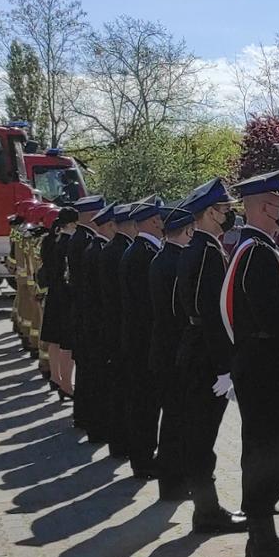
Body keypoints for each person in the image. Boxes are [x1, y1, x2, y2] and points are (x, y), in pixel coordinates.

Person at [224, 171, 279, 557]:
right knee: (267, 454)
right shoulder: (257, 253)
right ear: (261, 206)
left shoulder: (255, 247)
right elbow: (271, 318)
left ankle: (261, 536)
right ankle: (262, 542)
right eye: (278, 204)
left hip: (261, 366)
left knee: (262, 451)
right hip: (267, 368)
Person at [172, 179, 250, 536]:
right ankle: (206, 511)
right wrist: (223, 366)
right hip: (205, 355)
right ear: (209, 213)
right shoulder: (206, 252)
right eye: (223, 209)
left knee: (199, 435)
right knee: (202, 436)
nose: (228, 213)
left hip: (194, 348)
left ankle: (206, 507)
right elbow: (212, 312)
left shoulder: (196, 248)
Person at [148, 206, 194, 503]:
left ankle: (171, 480)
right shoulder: (179, 262)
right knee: (179, 421)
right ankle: (175, 483)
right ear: (188, 231)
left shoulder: (159, 258)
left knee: (171, 419)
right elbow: (182, 311)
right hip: (176, 350)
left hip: (161, 347)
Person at [119, 197, 165, 481]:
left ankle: (143, 456)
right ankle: (144, 460)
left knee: (143, 403)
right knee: (145, 404)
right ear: (153, 221)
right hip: (144, 340)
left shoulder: (139, 250)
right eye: (159, 219)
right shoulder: (145, 253)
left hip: (137, 338)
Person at [66, 196, 110, 442]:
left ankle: (83, 416)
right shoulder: (87, 243)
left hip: (82, 315)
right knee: (93, 374)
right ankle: (92, 421)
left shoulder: (79, 240)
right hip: (89, 317)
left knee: (86, 373)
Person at [100, 203, 136, 461]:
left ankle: (118, 443)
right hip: (121, 328)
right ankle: (123, 443)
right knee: (124, 391)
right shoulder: (122, 251)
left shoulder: (110, 249)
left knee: (116, 388)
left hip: (111, 326)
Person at [40, 205, 79, 399]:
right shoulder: (69, 244)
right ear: (72, 224)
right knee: (67, 342)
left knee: (54, 338)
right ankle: (66, 384)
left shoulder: (49, 241)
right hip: (65, 296)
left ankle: (56, 377)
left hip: (53, 293)